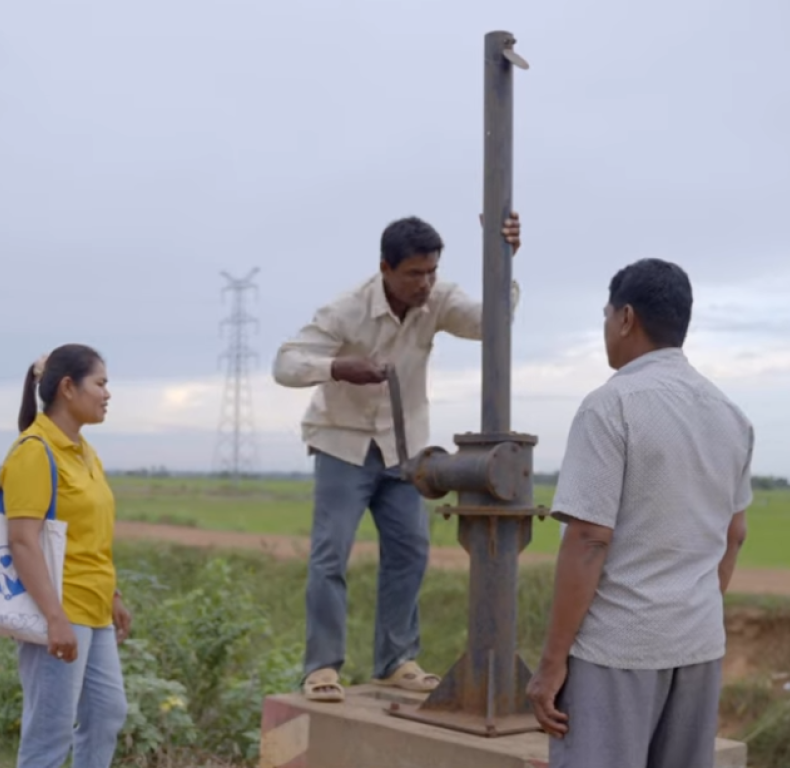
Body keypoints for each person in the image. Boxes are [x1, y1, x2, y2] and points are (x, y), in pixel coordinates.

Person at [272, 212, 523, 702]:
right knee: (330, 555)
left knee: (410, 550)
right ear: (385, 268)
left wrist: (506, 258)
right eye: (413, 273)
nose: (424, 283)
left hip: (402, 448)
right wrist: (338, 367)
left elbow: (492, 324)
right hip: (342, 444)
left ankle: (395, 661)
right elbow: (285, 363)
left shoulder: (439, 300)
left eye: (431, 271)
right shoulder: (347, 310)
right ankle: (322, 668)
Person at [526, 258, 753, 768]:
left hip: (616, 649)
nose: (606, 328)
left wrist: (551, 664)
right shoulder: (731, 416)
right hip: (697, 643)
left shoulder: (611, 405)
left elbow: (588, 538)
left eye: (606, 316)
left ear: (625, 317)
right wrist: (686, 610)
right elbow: (734, 533)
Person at [0, 343, 132, 768]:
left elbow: (89, 534)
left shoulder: (86, 452)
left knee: (107, 714)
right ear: (69, 388)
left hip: (94, 609)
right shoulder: (35, 451)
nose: (108, 394)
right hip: (58, 609)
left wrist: (113, 594)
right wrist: (54, 617)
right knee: (49, 735)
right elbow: (22, 541)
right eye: (101, 383)